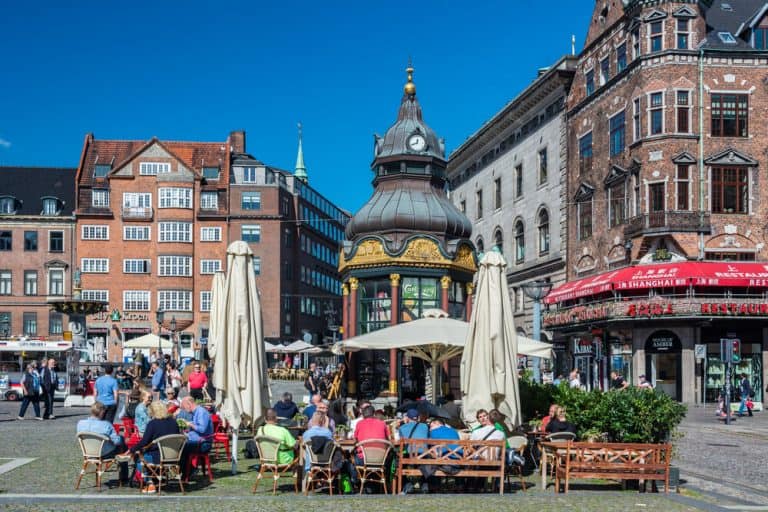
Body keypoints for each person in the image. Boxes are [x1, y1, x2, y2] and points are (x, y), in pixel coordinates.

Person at [127, 400, 180, 493]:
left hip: (157, 457)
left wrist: (132, 449)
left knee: (139, 459)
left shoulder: (153, 423)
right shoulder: (174, 422)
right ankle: (157, 478)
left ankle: (149, 483)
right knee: (146, 454)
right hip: (173, 456)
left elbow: (144, 442)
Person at [77, 401, 130, 483]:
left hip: (88, 452)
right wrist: (121, 438)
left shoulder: (80, 423)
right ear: (102, 412)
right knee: (122, 442)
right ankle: (124, 477)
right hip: (104, 453)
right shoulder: (106, 425)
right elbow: (116, 441)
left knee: (120, 441)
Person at [179, 396, 214, 478]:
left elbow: (202, 429)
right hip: (198, 441)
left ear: (189, 404)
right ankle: (187, 471)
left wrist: (190, 424)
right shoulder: (195, 412)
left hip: (204, 443)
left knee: (181, 448)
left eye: (184, 407)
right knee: (180, 446)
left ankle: (189, 471)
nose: (184, 409)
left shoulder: (201, 412)